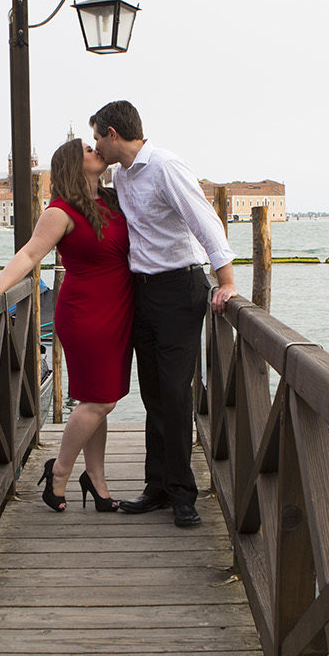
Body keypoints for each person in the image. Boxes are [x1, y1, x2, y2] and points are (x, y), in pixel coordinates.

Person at [90, 100, 238, 528]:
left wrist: (226, 281)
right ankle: (156, 486)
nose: (97, 145)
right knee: (153, 392)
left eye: (99, 136)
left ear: (113, 134)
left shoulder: (166, 166)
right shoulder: (121, 175)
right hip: (143, 291)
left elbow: (206, 223)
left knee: (175, 394)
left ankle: (182, 494)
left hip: (180, 288)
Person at [0, 138, 130, 513]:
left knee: (97, 400)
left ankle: (97, 480)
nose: (96, 151)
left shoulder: (111, 201)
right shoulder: (60, 211)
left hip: (118, 311)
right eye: (89, 149)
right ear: (74, 163)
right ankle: (59, 473)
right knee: (99, 400)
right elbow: (29, 253)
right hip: (84, 313)